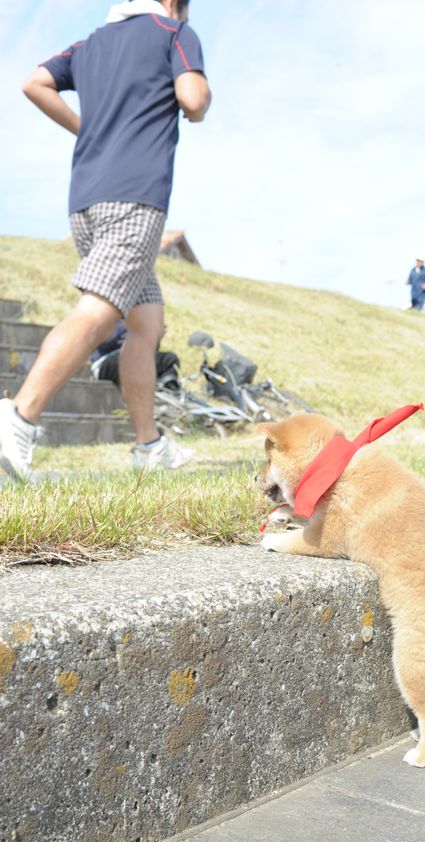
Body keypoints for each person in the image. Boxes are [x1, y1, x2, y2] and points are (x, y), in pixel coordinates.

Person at [0, 0, 211, 481]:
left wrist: (87, 129)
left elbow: (34, 82)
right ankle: (19, 416)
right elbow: (193, 100)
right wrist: (198, 92)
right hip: (135, 198)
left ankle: (148, 445)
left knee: (146, 322)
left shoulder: (89, 44)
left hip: (86, 202)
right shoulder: (172, 31)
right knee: (100, 310)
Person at [91, 319, 181, 393]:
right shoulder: (114, 318)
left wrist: (155, 336)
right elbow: (104, 342)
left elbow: (151, 352)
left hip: (135, 358)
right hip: (108, 361)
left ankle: (168, 385)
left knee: (170, 358)